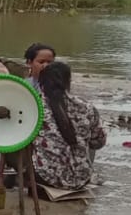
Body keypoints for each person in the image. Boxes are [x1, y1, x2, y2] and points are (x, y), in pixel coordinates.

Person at [31, 61, 107, 191]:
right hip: (81, 178)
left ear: (41, 82)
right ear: (68, 81)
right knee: (88, 137)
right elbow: (99, 142)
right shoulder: (87, 107)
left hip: (45, 176)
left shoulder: (34, 106)